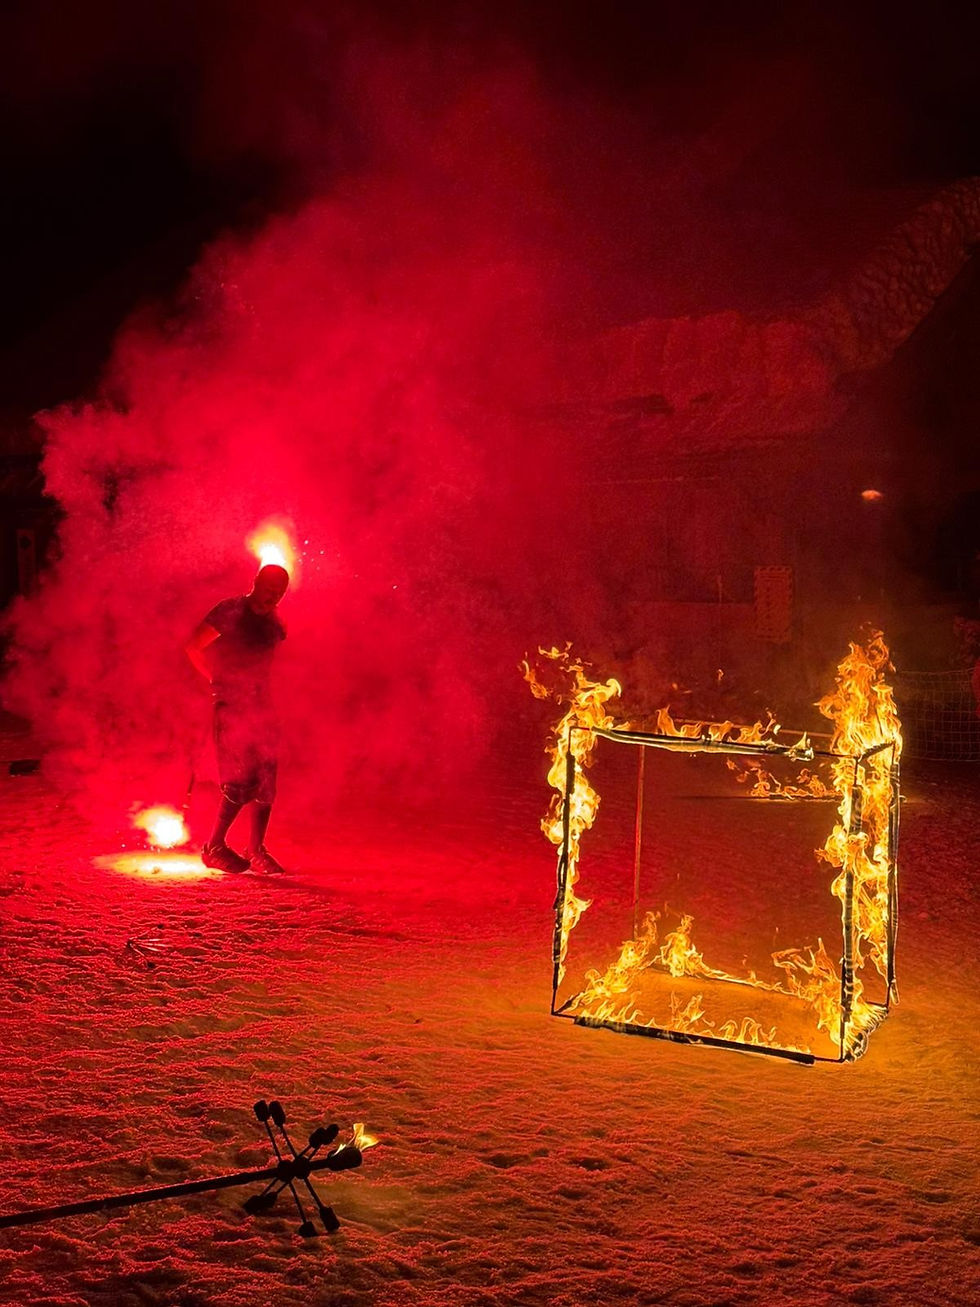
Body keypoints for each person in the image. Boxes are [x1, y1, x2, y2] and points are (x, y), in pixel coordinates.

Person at [185, 563, 290, 874]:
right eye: (270, 588)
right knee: (240, 777)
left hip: (261, 705)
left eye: (280, 591)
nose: (274, 596)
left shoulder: (273, 623)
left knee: (267, 776)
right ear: (255, 582)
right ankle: (214, 846)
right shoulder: (230, 611)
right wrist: (215, 680)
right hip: (232, 704)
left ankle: (256, 849)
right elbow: (194, 646)